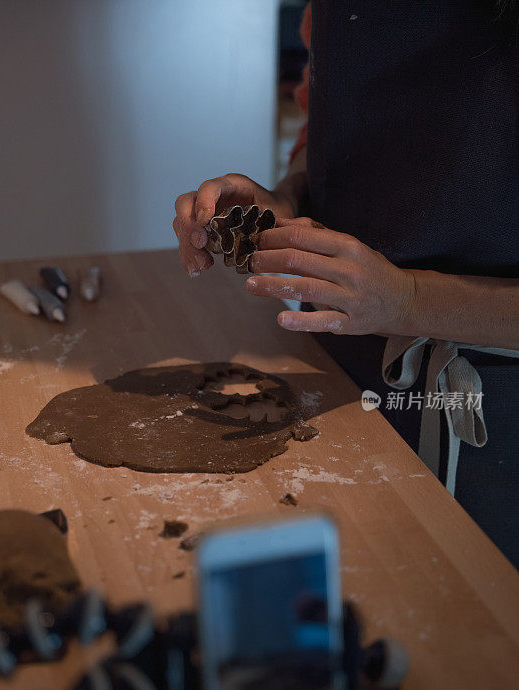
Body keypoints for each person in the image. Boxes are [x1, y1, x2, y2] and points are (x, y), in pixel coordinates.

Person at [173, 0, 519, 567]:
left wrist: (409, 300)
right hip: (338, 372)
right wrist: (285, 199)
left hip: (490, 411)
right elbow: (333, 127)